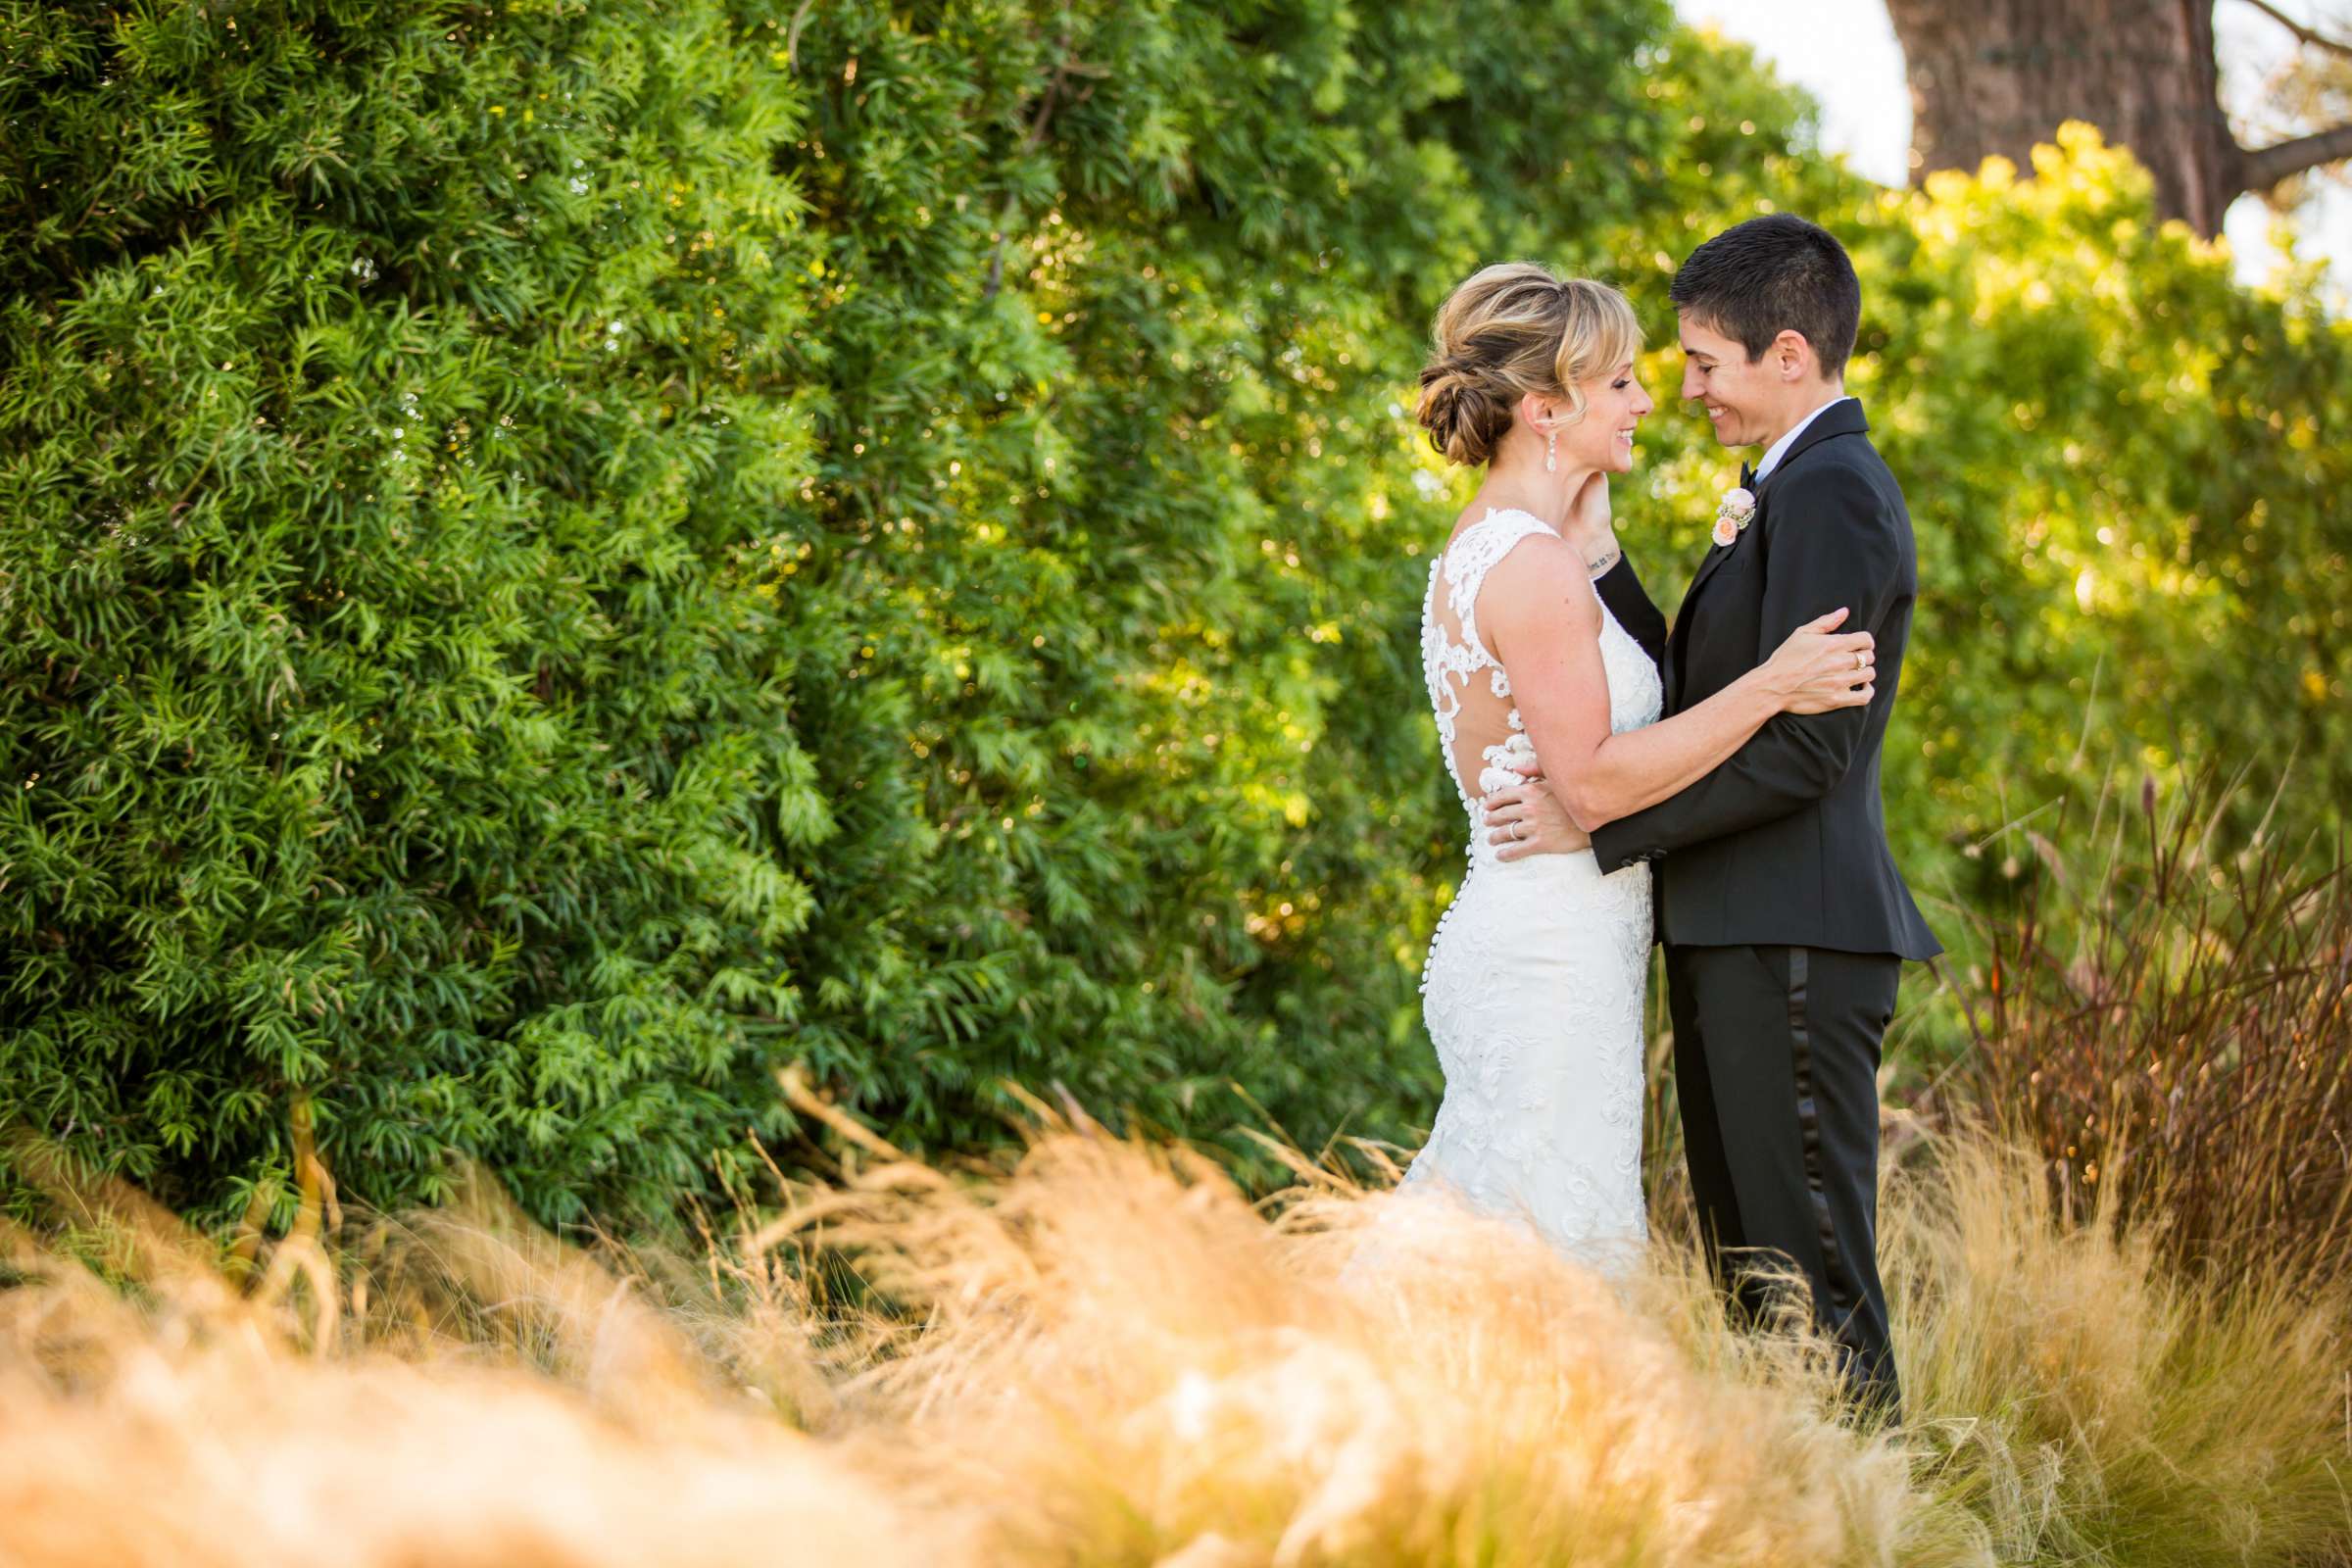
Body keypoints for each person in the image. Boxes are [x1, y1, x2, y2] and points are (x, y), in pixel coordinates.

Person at [1485, 217, 1942, 1428]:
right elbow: (1716, 697)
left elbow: (1807, 743)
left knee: (1814, 1281)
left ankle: (1880, 1527)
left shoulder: (1836, 491)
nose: (1685, 390)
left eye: (1703, 362)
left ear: (1787, 354)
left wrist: (1604, 827)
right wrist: (1608, 566)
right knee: (1756, 1280)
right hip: (1740, 934)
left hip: (1794, 935)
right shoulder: (1783, 487)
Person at [1383, 261, 1876, 1289]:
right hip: (1550, 959)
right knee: (1543, 1259)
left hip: (1549, 939)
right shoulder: (1533, 566)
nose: (1651, 400)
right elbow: (1596, 785)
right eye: (1619, 383)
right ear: (1544, 408)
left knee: (1515, 1248)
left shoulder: (1512, 547)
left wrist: (1600, 543)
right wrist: (1775, 684)